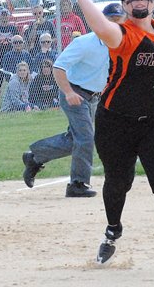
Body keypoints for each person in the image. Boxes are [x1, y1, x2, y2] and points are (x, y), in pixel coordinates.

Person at [56, 0, 154, 273]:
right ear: (124, 5)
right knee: (118, 182)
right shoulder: (122, 33)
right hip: (114, 122)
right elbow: (99, 26)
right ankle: (112, 231)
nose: (139, 1)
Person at [21, 27, 110, 198]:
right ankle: (77, 184)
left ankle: (35, 158)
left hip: (93, 97)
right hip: (74, 92)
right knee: (85, 138)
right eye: (110, 20)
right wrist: (69, 92)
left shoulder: (118, 42)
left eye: (119, 20)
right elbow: (58, 66)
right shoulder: (84, 43)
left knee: (76, 140)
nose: (116, 24)